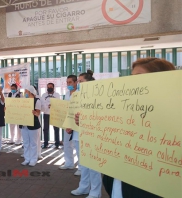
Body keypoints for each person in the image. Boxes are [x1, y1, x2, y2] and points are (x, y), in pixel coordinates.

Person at [75, 58, 174, 198]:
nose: (132, 83)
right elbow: (109, 129)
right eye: (131, 77)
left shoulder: (172, 116)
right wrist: (88, 123)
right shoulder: (126, 107)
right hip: (119, 183)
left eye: (139, 78)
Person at [71, 70, 102, 198]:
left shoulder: (97, 96)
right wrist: (70, 125)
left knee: (93, 165)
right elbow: (71, 112)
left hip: (92, 134)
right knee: (83, 164)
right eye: (78, 81)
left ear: (89, 83)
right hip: (78, 134)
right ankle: (83, 187)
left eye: (81, 81)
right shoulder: (76, 95)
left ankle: (95, 192)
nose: (78, 84)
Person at [59, 75, 79, 174]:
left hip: (77, 122)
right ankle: (69, 163)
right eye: (67, 82)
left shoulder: (79, 93)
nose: (68, 84)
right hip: (67, 122)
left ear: (76, 83)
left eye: (70, 82)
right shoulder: (67, 94)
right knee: (66, 143)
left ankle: (81, 168)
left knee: (77, 144)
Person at [19, 85, 41, 167]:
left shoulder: (37, 101)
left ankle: (33, 159)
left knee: (33, 143)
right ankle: (27, 159)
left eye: (26, 91)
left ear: (31, 92)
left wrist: (34, 113)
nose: (25, 93)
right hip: (24, 125)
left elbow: (38, 113)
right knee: (26, 143)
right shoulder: (23, 101)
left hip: (33, 125)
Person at [41, 83, 61, 149]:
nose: (49, 88)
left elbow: (59, 104)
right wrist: (47, 106)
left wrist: (53, 106)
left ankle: (57, 143)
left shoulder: (57, 95)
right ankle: (45, 143)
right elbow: (43, 104)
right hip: (46, 114)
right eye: (48, 87)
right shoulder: (44, 95)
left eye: (51, 87)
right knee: (45, 129)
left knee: (56, 129)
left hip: (54, 114)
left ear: (53, 87)